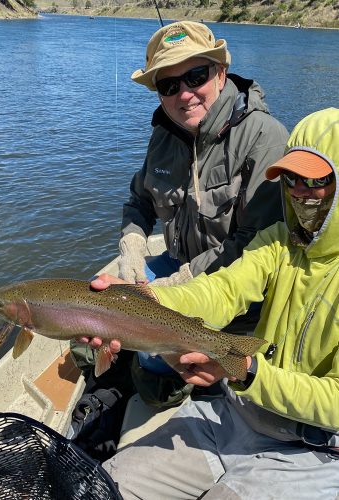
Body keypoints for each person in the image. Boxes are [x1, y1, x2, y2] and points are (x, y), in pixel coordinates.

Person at [87, 108, 339, 499]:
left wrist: (250, 373)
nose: (299, 191)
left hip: (316, 451)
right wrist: (142, 303)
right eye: (290, 178)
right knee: (109, 484)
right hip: (238, 414)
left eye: (316, 180)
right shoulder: (277, 239)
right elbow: (221, 290)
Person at [70, 20, 288, 399]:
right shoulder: (164, 136)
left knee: (154, 361)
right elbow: (139, 202)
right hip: (174, 265)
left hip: (236, 293)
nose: (184, 94)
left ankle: (172, 385)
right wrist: (132, 254)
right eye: (169, 86)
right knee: (96, 299)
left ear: (220, 74)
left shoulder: (264, 137)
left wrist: (173, 287)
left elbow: (257, 245)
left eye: (195, 76)